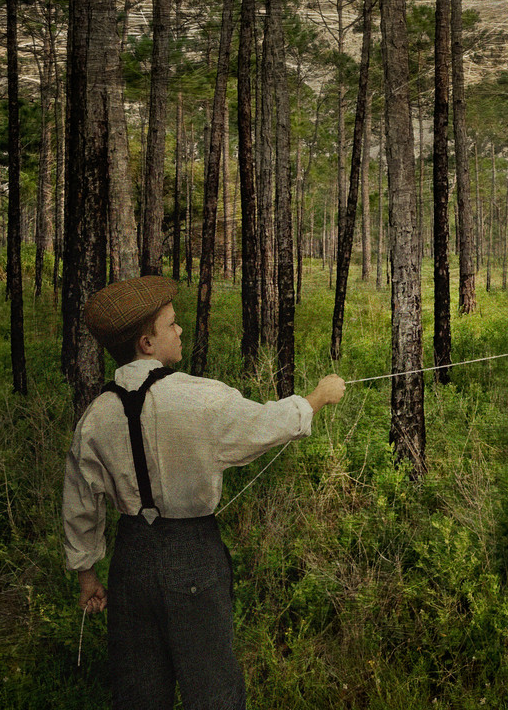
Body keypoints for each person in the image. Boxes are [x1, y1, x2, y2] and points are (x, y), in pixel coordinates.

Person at [63, 275, 346, 709]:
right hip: (192, 555)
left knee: (139, 692)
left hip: (130, 561)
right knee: (212, 688)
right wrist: (319, 397)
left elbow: (80, 502)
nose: (179, 331)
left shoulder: (95, 416)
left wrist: (87, 576)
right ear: (146, 343)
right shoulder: (196, 398)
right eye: (171, 325)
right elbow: (265, 424)